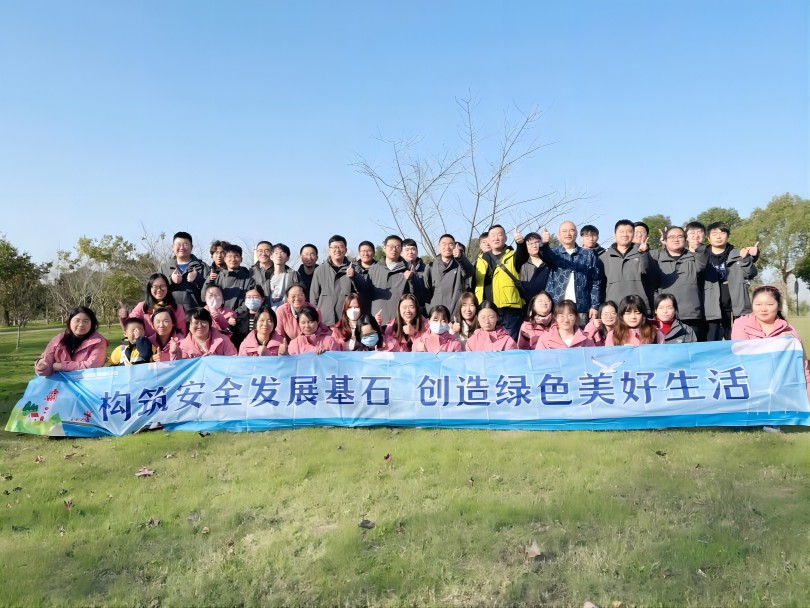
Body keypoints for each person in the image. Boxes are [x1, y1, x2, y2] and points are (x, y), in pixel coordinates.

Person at [731, 285, 810, 401]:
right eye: (758, 304)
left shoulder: (789, 331)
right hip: (751, 391)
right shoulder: (740, 324)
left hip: (782, 393)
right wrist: (777, 343)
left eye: (769, 304)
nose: (763, 309)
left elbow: (803, 368)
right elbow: (742, 356)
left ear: (779, 306)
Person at [534, 222, 601, 327]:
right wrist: (544, 244)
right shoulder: (553, 253)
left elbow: (596, 281)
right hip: (557, 306)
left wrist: (595, 305)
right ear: (559, 234)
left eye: (571, 230)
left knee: (582, 336)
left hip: (582, 307)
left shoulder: (588, 254)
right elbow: (544, 254)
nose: (568, 234)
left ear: (576, 233)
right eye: (564, 231)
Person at [702, 221, 758, 341]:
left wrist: (746, 259)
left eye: (722, 233)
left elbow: (751, 273)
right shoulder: (701, 257)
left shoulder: (738, 254)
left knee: (740, 343)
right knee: (712, 343)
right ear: (708, 238)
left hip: (737, 304)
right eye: (714, 234)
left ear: (727, 236)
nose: (718, 237)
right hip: (712, 307)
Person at [651, 226, 707, 340]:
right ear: (665, 240)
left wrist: (698, 249)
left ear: (685, 239)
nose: (676, 240)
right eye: (672, 237)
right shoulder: (657, 258)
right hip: (666, 315)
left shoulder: (693, 256)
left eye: (680, 236)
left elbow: (701, 266)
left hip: (691, 314)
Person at [473, 225, 524, 342]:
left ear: (505, 238)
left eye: (500, 235)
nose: (496, 238)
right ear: (488, 239)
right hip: (486, 310)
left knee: (509, 344)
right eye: (493, 235)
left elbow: (522, 256)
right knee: (487, 344)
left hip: (509, 311)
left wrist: (520, 244)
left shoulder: (513, 256)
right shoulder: (481, 259)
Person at [310, 235, 366, 327]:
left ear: (346, 250)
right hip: (324, 320)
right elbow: (314, 297)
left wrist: (354, 276)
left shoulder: (355, 268)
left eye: (340, 247)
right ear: (329, 250)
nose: (337, 250)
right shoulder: (319, 270)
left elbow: (363, 289)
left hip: (346, 319)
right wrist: (314, 316)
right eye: (334, 247)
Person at [35, 307, 108, 375]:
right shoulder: (59, 339)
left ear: (92, 323)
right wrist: (42, 367)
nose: (81, 324)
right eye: (77, 320)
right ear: (69, 322)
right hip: (60, 382)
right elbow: (46, 364)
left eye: (86, 321)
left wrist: (61, 366)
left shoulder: (98, 341)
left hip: (86, 382)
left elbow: (92, 365)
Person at [599, 219, 653, 312]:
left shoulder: (643, 253)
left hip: (638, 308)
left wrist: (644, 254)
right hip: (614, 308)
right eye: (621, 231)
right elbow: (599, 285)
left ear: (633, 234)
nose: (625, 234)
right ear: (615, 235)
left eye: (629, 232)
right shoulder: (603, 257)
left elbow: (649, 274)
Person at [368, 235, 422, 325]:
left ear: (401, 249)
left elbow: (418, 295)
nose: (394, 249)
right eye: (390, 246)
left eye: (397, 247)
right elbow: (366, 294)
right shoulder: (373, 269)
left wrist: (412, 278)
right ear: (384, 248)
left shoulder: (408, 269)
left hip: (400, 323)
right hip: (377, 322)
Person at [119, 272, 187, 339]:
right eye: (155, 286)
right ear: (150, 288)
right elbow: (130, 327)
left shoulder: (177, 308)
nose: (159, 289)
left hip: (171, 345)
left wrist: (173, 343)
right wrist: (124, 317)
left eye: (163, 286)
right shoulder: (142, 307)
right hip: (146, 345)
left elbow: (182, 333)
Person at [424, 233, 474, 320]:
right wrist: (430, 312)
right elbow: (426, 292)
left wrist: (460, 258)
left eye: (450, 244)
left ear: (455, 247)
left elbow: (470, 272)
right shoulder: (430, 267)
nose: (447, 247)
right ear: (439, 247)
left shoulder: (460, 265)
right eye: (444, 244)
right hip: (436, 314)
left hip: (455, 313)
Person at [160, 231, 208, 313]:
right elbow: (155, 288)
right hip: (170, 315)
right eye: (178, 244)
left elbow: (212, 290)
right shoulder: (164, 267)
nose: (182, 247)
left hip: (196, 316)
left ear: (191, 247)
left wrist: (198, 278)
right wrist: (170, 280)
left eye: (186, 244)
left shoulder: (202, 266)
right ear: (172, 247)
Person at [203, 243, 255, 311]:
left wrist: (235, 314)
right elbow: (204, 298)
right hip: (218, 315)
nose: (233, 259)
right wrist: (209, 280)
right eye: (229, 256)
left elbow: (249, 301)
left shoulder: (249, 280)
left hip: (240, 316)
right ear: (225, 259)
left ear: (241, 259)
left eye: (236, 256)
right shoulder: (217, 278)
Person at [513, 231, 550, 303]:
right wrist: (519, 243)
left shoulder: (549, 263)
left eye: (537, 242)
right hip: (528, 304)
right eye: (530, 244)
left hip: (547, 302)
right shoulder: (522, 265)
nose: (534, 246)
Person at [230, 286, 267, 350]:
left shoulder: (268, 317)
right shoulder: (239, 319)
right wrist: (231, 325)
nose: (252, 300)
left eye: (255, 297)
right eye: (248, 297)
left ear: (262, 299)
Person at [267, 243, 301, 310]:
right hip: (269, 312)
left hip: (288, 311)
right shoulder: (266, 276)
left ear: (288, 258)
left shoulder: (293, 275)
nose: (279, 256)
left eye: (282, 253)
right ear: (271, 257)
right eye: (276, 253)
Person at [353, 240, 377, 313]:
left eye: (369, 251)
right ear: (359, 253)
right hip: (355, 308)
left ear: (374, 253)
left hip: (375, 308)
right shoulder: (352, 268)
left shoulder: (380, 269)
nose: (366, 254)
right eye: (363, 251)